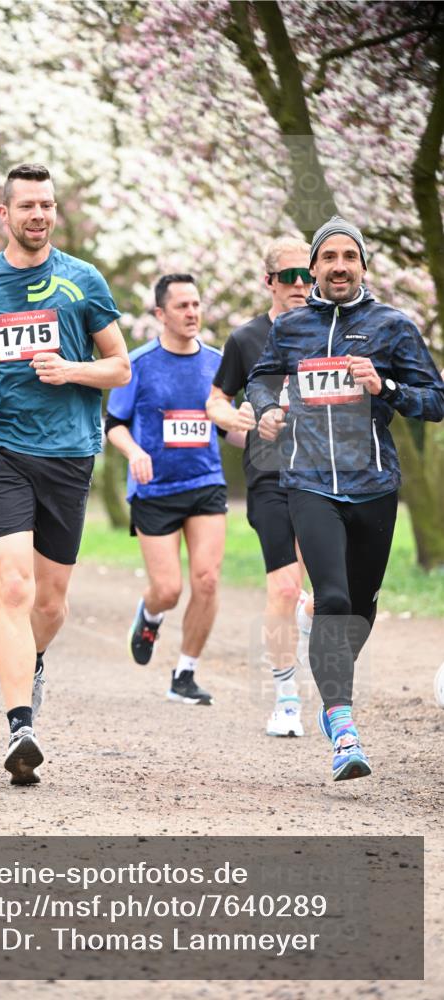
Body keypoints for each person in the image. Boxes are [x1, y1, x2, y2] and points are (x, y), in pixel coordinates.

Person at [0, 163, 130, 785]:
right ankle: (21, 725)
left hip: (68, 454)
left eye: (46, 205)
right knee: (12, 588)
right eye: (27, 206)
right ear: (5, 214)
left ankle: (33, 663)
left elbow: (120, 366)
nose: (38, 215)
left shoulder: (82, 280)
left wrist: (71, 370)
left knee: (50, 600)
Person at [246, 216, 444, 781]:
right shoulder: (291, 328)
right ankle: (343, 728)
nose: (338, 266)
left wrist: (388, 388)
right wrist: (266, 409)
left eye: (348, 257)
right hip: (308, 481)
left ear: (362, 266)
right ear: (313, 269)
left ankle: (329, 670)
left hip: (373, 486)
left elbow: (436, 400)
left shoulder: (393, 326)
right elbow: (261, 378)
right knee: (330, 599)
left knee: (359, 608)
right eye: (327, 257)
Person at [206, 237, 314, 738]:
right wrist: (241, 419)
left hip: (328, 475)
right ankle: (286, 698)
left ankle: (309, 617)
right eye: (288, 276)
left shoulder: (334, 331)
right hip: (270, 473)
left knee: (328, 595)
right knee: (285, 584)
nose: (299, 285)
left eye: (306, 276)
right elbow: (215, 403)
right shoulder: (246, 339)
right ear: (268, 281)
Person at [106, 274, 229, 706]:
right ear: (160, 313)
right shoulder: (137, 364)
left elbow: (228, 425)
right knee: (169, 590)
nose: (192, 313)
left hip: (205, 482)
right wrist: (134, 451)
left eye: (196, 304)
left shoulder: (217, 362)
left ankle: (185, 674)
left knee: (208, 580)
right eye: (182, 306)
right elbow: (114, 426)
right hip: (154, 490)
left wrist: (254, 424)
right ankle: (151, 614)